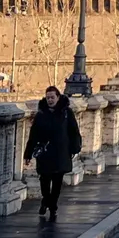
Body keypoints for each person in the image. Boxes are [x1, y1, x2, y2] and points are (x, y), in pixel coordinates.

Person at [24, 85, 82, 222]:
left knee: (57, 182)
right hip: (45, 152)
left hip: (61, 152)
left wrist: (75, 148)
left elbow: (74, 132)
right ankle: (46, 200)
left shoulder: (66, 112)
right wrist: (28, 154)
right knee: (44, 180)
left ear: (58, 97)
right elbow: (33, 135)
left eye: (52, 97)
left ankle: (53, 206)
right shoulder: (41, 114)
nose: (50, 100)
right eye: (48, 97)